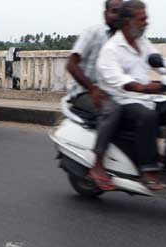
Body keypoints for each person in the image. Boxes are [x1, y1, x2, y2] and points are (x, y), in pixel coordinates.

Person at [97, 0, 166, 191]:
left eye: (146, 19)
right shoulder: (111, 50)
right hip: (123, 101)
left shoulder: (142, 43)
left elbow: (160, 62)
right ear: (128, 21)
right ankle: (148, 172)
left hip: (148, 98)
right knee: (147, 116)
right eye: (142, 19)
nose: (146, 23)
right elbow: (120, 81)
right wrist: (145, 88)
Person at [66, 0, 124, 189]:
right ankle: (97, 165)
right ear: (105, 13)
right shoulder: (94, 33)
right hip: (84, 92)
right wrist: (92, 89)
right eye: (114, 11)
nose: (118, 16)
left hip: (112, 92)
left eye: (121, 12)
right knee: (111, 110)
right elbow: (71, 64)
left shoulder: (124, 39)